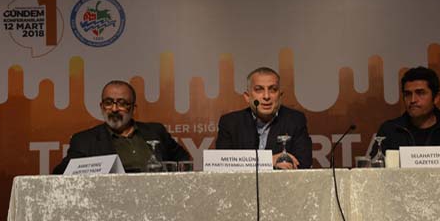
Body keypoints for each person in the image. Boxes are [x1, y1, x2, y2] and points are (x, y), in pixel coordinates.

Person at [52, 80, 189, 174]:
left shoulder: (156, 131)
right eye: (108, 102)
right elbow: (60, 174)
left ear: (133, 108)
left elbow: (184, 161)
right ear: (101, 106)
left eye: (122, 103)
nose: (114, 109)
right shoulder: (84, 140)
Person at [216, 67, 312, 169]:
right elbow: (222, 164)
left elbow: (304, 163)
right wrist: (268, 161)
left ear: (280, 96)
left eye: (273, 89)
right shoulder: (230, 123)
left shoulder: (295, 120)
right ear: (247, 97)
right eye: (259, 89)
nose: (266, 96)